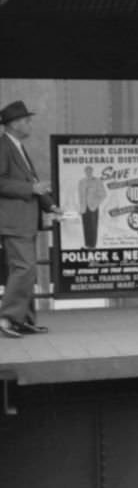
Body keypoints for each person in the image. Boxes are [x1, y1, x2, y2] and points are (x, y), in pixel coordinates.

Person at [0, 100, 61, 339]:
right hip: (14, 220)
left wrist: (52, 206)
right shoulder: (3, 147)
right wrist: (31, 189)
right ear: (14, 124)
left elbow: (33, 184)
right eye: (26, 120)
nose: (30, 124)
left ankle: (22, 319)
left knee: (27, 270)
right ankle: (8, 318)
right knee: (23, 269)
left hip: (23, 220)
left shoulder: (16, 147)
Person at [77, 165, 107, 248]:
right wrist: (80, 207)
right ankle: (87, 244)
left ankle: (93, 245)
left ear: (92, 171)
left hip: (93, 207)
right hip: (84, 208)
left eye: (90, 171)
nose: (88, 172)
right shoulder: (81, 182)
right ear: (85, 172)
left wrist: (96, 203)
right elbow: (80, 195)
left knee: (93, 227)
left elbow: (103, 194)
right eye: (87, 171)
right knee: (86, 226)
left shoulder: (97, 181)